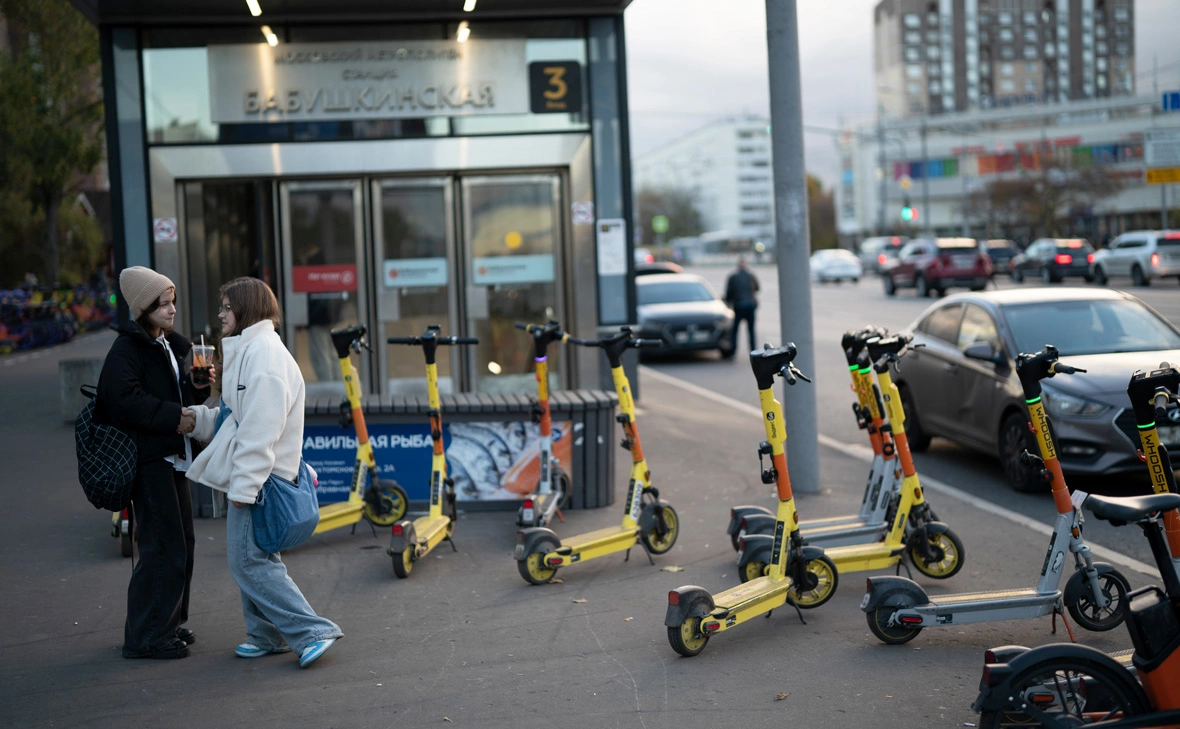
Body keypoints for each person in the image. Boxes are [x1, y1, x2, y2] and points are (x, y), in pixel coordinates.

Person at [185, 277, 342, 669]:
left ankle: (312, 631)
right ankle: (265, 635)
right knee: (255, 557)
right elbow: (236, 419)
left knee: (248, 562)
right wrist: (197, 420)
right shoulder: (252, 351)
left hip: (261, 480)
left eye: (225, 307)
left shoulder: (264, 358)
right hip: (261, 477)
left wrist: (244, 487)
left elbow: (259, 433)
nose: (219, 314)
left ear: (246, 309)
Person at [98, 266, 210, 659]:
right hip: (148, 459)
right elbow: (123, 399)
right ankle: (146, 636)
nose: (171, 309)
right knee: (162, 546)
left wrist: (200, 384)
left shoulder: (171, 342)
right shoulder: (126, 350)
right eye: (162, 304)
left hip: (171, 456)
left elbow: (185, 387)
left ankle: (169, 622)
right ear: (143, 308)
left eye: (173, 301)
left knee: (182, 543)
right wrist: (172, 416)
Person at [723, 256, 760, 357]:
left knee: (735, 330)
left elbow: (729, 293)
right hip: (750, 305)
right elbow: (757, 288)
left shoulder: (733, 277)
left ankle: (733, 351)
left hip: (739, 305)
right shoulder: (751, 275)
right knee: (751, 330)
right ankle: (754, 351)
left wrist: (727, 302)